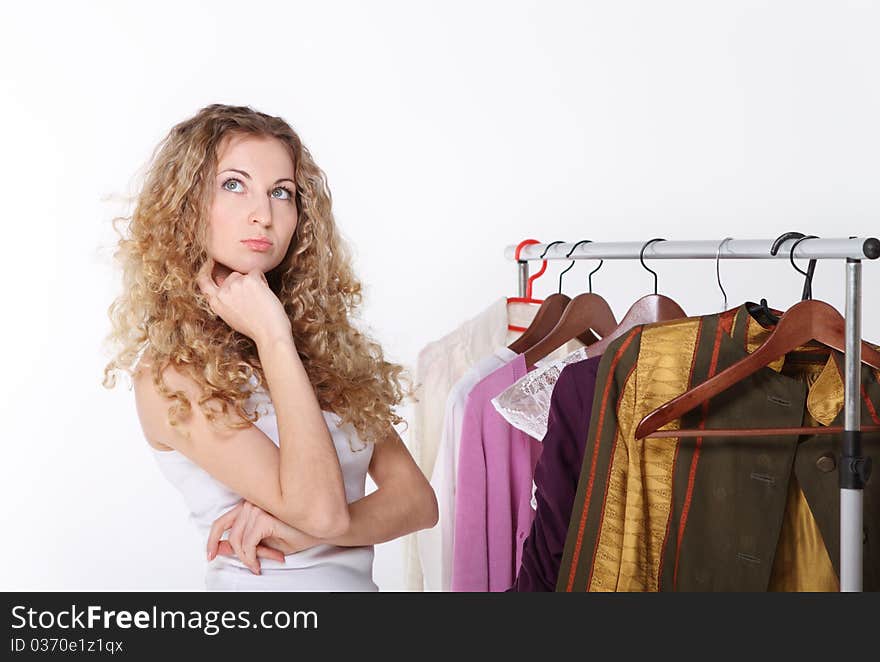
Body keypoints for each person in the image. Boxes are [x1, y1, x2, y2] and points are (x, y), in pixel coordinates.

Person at [101, 103, 438, 591]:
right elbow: (319, 507)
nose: (263, 215)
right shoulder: (171, 373)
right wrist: (274, 337)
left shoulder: (327, 351)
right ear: (186, 205)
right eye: (233, 185)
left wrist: (309, 533)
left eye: (282, 193)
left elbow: (416, 502)